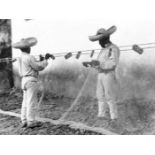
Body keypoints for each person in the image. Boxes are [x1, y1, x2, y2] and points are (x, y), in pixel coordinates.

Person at [13, 37, 51, 128]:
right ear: (27, 48)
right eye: (29, 47)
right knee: (31, 101)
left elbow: (33, 65)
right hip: (31, 80)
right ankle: (31, 121)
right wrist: (45, 59)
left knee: (25, 102)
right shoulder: (29, 57)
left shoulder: (20, 58)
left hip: (24, 80)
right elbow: (39, 67)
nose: (30, 48)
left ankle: (24, 120)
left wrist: (40, 60)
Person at [89, 26, 120, 123]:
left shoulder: (113, 48)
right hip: (101, 74)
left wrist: (101, 66)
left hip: (108, 74)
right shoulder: (103, 50)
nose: (99, 43)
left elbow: (113, 63)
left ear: (105, 39)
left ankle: (114, 117)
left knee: (109, 95)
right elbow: (100, 62)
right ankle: (101, 115)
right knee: (100, 95)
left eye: (100, 41)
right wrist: (93, 64)